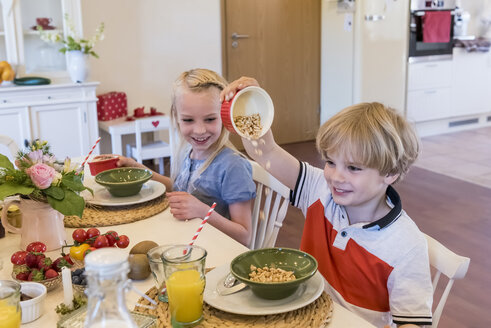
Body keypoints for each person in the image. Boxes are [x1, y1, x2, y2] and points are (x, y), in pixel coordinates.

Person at [220, 77, 433, 328]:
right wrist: (250, 103)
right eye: (331, 162)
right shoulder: (319, 189)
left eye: (353, 168)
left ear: (391, 173)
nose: (335, 177)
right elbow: (265, 152)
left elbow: (414, 324)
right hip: (302, 317)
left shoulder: (407, 246)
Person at [117, 69, 256, 246]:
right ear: (176, 118)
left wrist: (202, 211)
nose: (199, 130)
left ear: (224, 115)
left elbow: (244, 236)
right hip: (185, 241)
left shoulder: (232, 166)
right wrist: (137, 168)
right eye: (188, 120)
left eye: (210, 119)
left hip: (214, 252)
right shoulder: (187, 152)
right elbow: (177, 187)